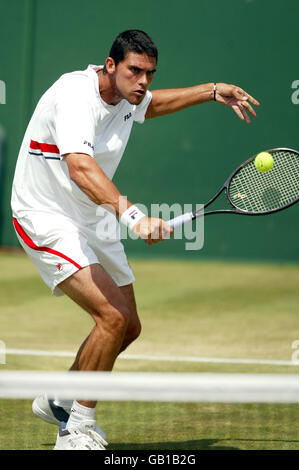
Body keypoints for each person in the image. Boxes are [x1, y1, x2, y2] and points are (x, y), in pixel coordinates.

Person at [11, 29, 259, 450]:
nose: (143, 82)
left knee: (129, 326)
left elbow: (153, 104)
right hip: (46, 214)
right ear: (110, 66)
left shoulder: (128, 97)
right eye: (135, 71)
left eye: (150, 73)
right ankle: (76, 428)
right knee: (111, 318)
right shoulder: (74, 95)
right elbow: (80, 168)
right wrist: (134, 216)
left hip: (90, 215)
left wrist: (212, 91)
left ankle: (59, 397)